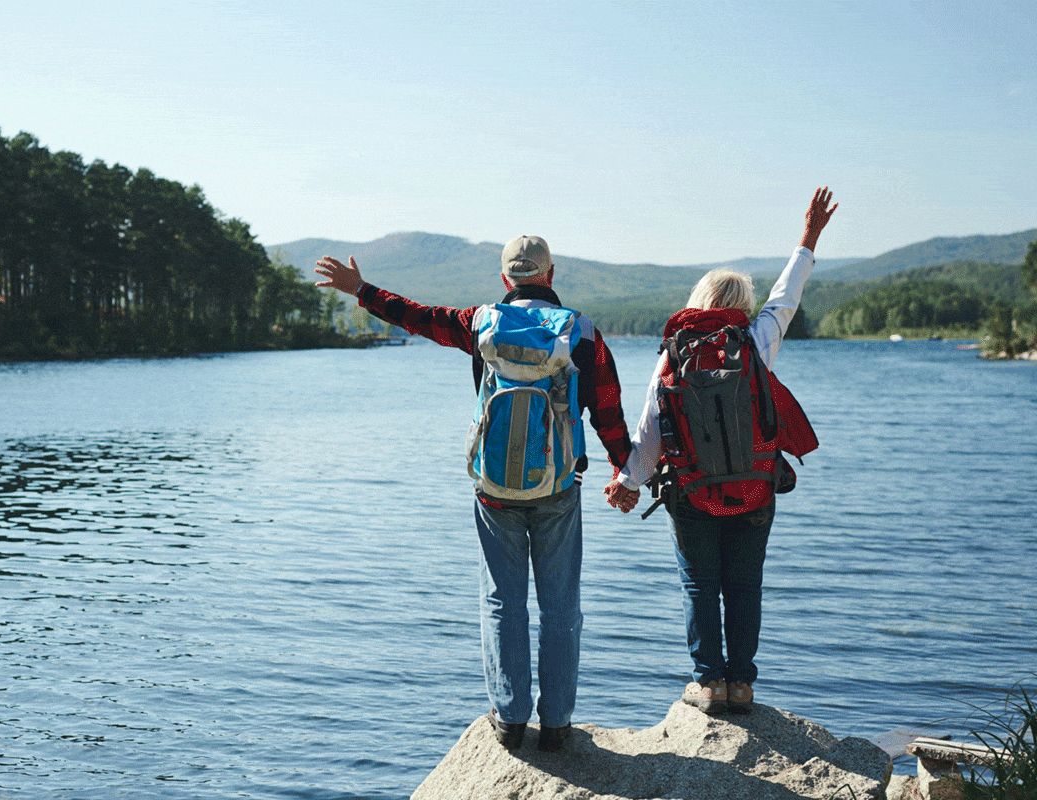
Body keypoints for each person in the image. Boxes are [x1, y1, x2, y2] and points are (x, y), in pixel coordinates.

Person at [315, 236, 632, 752]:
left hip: (494, 491)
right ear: (550, 274)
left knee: (502, 602)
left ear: (507, 279)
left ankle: (508, 719)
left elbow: (417, 317)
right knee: (560, 607)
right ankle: (555, 725)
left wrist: (362, 290)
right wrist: (626, 473)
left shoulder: (480, 322)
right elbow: (610, 412)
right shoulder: (583, 333)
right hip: (559, 490)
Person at [604, 187, 837, 714]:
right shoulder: (754, 343)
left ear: (698, 301)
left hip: (691, 492)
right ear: (742, 309)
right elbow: (788, 295)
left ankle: (708, 683)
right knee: (745, 586)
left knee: (699, 585)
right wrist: (809, 237)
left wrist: (627, 483)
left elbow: (649, 430)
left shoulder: (674, 355)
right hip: (754, 490)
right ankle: (743, 685)